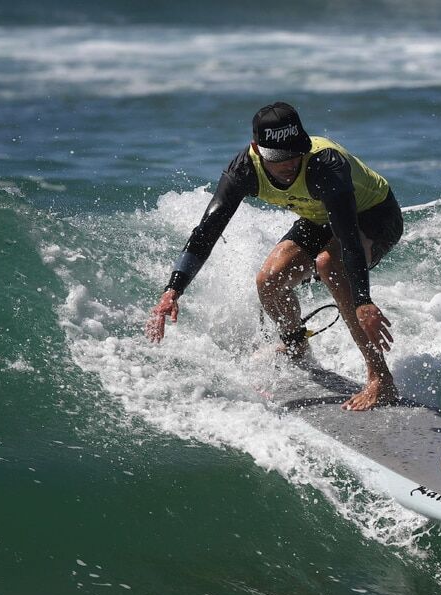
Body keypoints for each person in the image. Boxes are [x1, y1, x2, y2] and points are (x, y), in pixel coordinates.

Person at [146, 102, 403, 411]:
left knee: (328, 263)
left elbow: (348, 238)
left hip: (373, 216)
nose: (289, 164)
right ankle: (297, 347)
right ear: (257, 148)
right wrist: (173, 290)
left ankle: (380, 378)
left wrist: (363, 300)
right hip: (320, 218)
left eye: (295, 153)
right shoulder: (244, 169)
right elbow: (206, 232)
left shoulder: (325, 164)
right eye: (279, 158)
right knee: (269, 279)